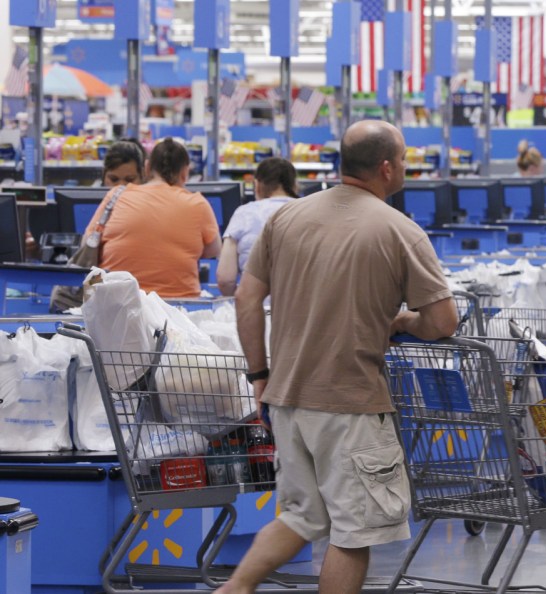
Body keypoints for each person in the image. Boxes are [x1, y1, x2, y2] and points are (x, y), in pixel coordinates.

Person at [217, 120, 458, 594]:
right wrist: (405, 321)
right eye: (405, 159)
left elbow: (246, 299)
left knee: (304, 516)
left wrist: (260, 374)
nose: (406, 166)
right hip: (351, 402)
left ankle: (234, 588)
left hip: (288, 397)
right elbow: (443, 322)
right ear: (387, 168)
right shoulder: (399, 231)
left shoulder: (285, 220)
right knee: (355, 532)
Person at [83, 137, 221, 297]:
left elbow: (87, 242)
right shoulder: (197, 203)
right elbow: (214, 250)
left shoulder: (116, 195)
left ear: (147, 168)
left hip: (117, 305)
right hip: (179, 310)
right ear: (185, 173)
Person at [216, 157, 298, 296]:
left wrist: (240, 301)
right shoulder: (309, 211)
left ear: (257, 186)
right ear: (295, 186)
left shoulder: (244, 213)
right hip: (300, 310)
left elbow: (225, 279)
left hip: (256, 308)